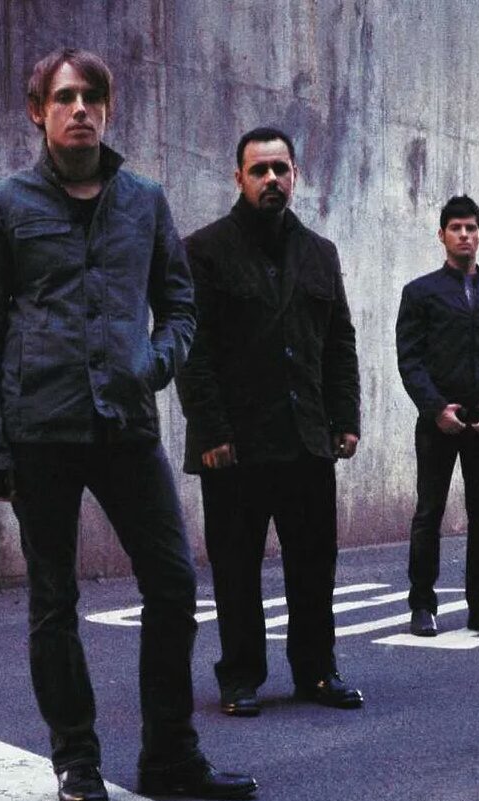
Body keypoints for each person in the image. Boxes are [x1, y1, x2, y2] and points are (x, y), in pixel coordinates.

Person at [0, 48, 255, 801]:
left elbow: (180, 305)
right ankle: (77, 761)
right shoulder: (5, 205)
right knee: (53, 600)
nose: (80, 109)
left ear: (108, 109)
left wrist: (156, 361)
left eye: (92, 96)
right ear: (39, 111)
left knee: (173, 582)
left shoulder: (144, 201)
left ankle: (170, 755)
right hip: (40, 429)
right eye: (65, 97)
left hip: (126, 424)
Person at [176, 126, 364, 717]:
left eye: (280, 169)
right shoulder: (204, 250)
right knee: (236, 568)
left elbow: (339, 342)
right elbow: (191, 348)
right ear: (239, 178)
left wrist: (346, 417)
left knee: (315, 566)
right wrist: (211, 430)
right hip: (236, 444)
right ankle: (240, 677)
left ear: (295, 176)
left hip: (307, 438)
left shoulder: (320, 253)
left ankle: (317, 672)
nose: (271, 180)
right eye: (259, 171)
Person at [395, 195, 479, 638]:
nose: (464, 235)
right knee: (428, 513)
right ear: (442, 235)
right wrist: (435, 408)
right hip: (438, 421)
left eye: (471, 228)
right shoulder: (420, 293)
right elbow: (410, 359)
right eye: (456, 228)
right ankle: (422, 606)